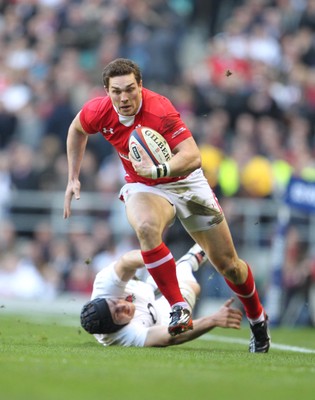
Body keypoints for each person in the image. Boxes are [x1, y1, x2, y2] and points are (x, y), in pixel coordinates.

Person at [63, 58, 270, 352]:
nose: (124, 98)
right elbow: (76, 129)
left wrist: (158, 170)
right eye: (116, 91)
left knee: (229, 266)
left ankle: (258, 321)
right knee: (146, 227)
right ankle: (178, 307)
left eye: (130, 90)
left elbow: (193, 156)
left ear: (141, 86)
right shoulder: (98, 111)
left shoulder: (159, 108)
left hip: (186, 183)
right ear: (106, 92)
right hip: (144, 186)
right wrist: (73, 177)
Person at [80, 243, 243, 347]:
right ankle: (189, 261)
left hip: (144, 288)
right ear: (114, 327)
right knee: (192, 287)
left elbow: (126, 261)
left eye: (114, 303)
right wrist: (212, 319)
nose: (122, 306)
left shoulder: (104, 286)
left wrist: (156, 261)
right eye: (117, 314)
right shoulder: (121, 337)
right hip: (158, 317)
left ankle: (178, 266)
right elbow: (171, 336)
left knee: (162, 271)